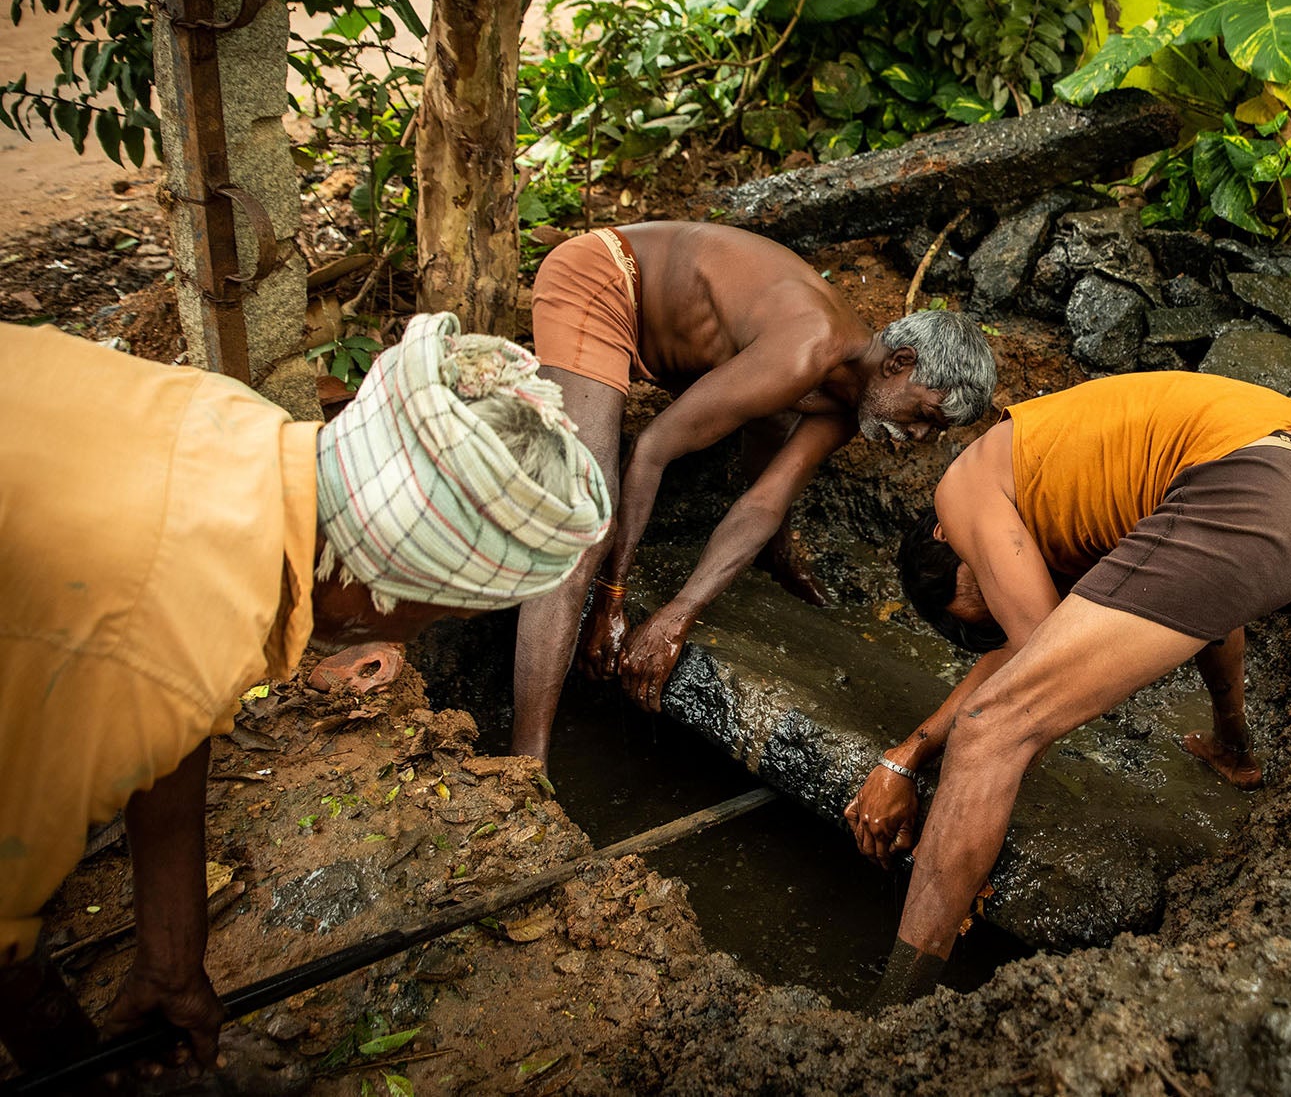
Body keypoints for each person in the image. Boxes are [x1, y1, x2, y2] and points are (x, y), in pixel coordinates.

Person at [0, 313, 612, 1076]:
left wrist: (172, 951)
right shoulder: (141, 637)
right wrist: (83, 1072)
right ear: (368, 594)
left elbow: (178, 703)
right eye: (437, 616)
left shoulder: (246, 435)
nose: (414, 645)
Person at [841, 371, 1291, 1004]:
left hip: (1259, 486)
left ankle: (895, 1006)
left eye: (985, 590)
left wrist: (910, 767)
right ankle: (1235, 750)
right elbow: (1211, 609)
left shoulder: (959, 493)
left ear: (944, 538)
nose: (1002, 591)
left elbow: (1028, 673)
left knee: (988, 730)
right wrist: (1231, 736)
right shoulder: (1077, 489)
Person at [518, 222, 997, 759]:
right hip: (605, 278)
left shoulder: (848, 400)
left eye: (934, 432)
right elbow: (652, 448)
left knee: (769, 425)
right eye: (925, 415)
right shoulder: (808, 349)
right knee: (583, 516)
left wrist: (681, 612)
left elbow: (767, 499)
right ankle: (523, 765)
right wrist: (612, 598)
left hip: (676, 336)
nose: (918, 436)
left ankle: (775, 557)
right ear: (900, 363)